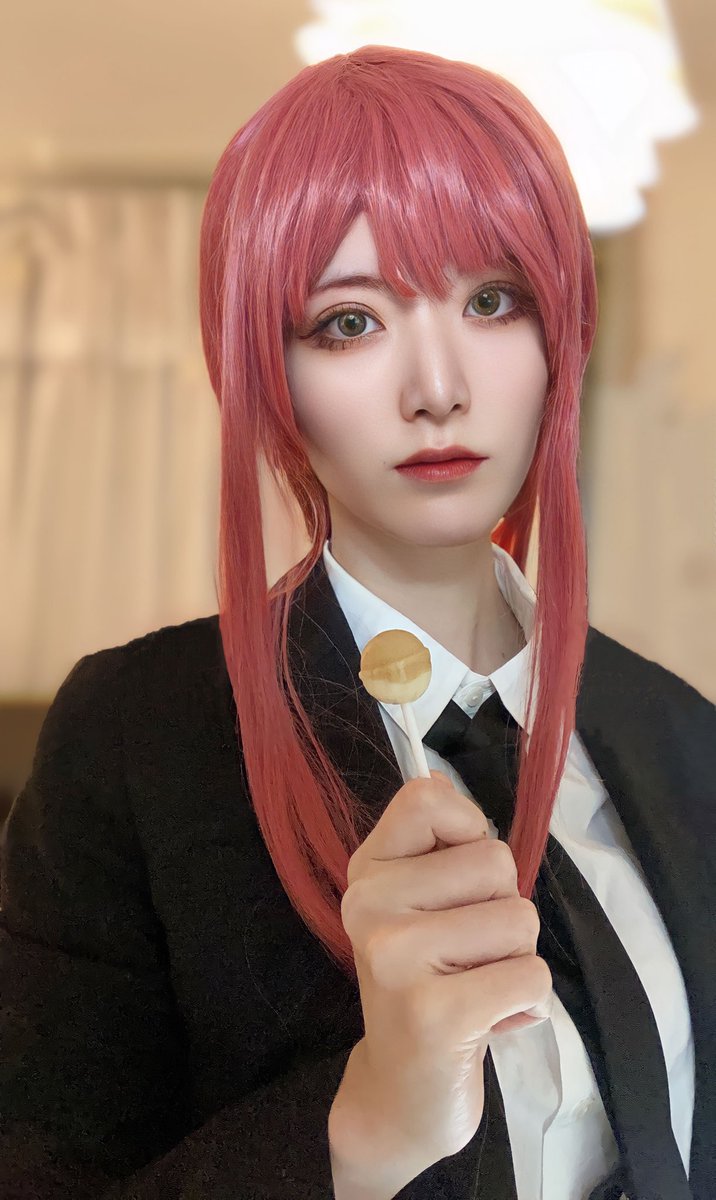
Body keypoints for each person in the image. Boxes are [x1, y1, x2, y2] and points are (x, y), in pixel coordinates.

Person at [1, 44, 714, 1200]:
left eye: (490, 301)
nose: (436, 387)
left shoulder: (680, 736)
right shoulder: (138, 740)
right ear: (267, 375)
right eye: (348, 322)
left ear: (560, 334)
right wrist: (357, 1131)